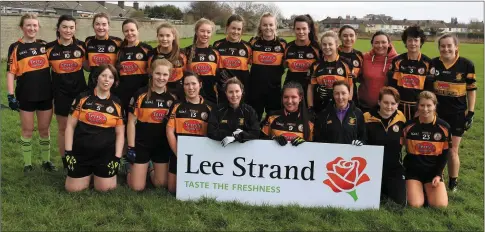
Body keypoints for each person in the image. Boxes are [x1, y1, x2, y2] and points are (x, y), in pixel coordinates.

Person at [6, 13, 56, 172]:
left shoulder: (45, 46)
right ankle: (27, 164)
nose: (32, 28)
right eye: (28, 25)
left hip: (46, 95)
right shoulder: (15, 47)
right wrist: (10, 95)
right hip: (26, 95)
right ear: (22, 27)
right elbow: (10, 73)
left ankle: (46, 161)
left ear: (38, 27)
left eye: (35, 25)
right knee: (27, 130)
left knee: (44, 129)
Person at [64, 64, 125, 192]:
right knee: (72, 190)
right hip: (81, 152)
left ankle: (96, 175)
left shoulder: (117, 103)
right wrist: (68, 152)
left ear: (114, 81)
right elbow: (70, 126)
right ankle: (89, 174)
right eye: (103, 76)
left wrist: (117, 158)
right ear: (96, 77)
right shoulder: (82, 98)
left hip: (105, 154)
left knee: (105, 189)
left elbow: (120, 134)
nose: (107, 80)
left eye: (110, 77)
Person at [430, 33, 477, 191]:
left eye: (449, 45)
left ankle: (453, 182)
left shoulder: (466, 65)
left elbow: (471, 90)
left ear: (456, 47)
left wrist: (470, 112)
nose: (446, 49)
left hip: (457, 115)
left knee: (452, 149)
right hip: (436, 114)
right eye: (442, 46)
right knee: (436, 147)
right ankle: (437, 177)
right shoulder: (434, 63)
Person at [126, 59, 177, 191]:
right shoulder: (141, 94)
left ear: (170, 76)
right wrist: (131, 147)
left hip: (162, 145)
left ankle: (149, 168)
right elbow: (131, 122)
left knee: (161, 184)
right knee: (137, 187)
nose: (161, 78)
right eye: (158, 74)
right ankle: (128, 168)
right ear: (151, 74)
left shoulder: (173, 97)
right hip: (142, 143)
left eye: (165, 75)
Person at [46, 15, 87, 171]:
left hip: (80, 93)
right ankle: (66, 161)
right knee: (63, 128)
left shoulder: (82, 46)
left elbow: (90, 67)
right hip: (60, 93)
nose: (68, 30)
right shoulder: (49, 48)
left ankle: (81, 157)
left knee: (81, 128)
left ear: (75, 29)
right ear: (58, 28)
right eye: (64, 27)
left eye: (71, 27)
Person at [166, 71, 215, 194]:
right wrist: (179, 154)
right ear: (183, 86)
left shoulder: (210, 107)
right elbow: (169, 131)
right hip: (179, 152)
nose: (190, 87)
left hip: (201, 155)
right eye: (187, 84)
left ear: (200, 85)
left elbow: (214, 134)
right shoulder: (177, 105)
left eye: (194, 84)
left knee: (199, 190)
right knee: (173, 190)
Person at [402, 91, 450, 208]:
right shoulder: (409, 126)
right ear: (417, 106)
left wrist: (438, 174)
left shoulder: (444, 127)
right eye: (422, 105)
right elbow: (400, 147)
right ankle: (418, 189)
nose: (425, 109)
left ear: (435, 106)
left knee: (440, 205)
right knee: (415, 204)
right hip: (413, 171)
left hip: (432, 172)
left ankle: (426, 189)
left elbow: (445, 154)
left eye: (429, 105)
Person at [364, 87, 407, 206]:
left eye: (393, 103)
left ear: (397, 104)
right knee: (369, 200)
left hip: (394, 168)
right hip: (372, 168)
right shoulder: (367, 117)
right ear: (379, 102)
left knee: (400, 202)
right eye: (386, 102)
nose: (389, 106)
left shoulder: (401, 118)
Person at [247, 12, 288, 121]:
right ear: (260, 26)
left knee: (273, 120)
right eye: (265, 25)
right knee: (253, 120)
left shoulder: (282, 44)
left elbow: (286, 64)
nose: (268, 27)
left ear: (276, 26)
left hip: (274, 90)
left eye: (271, 24)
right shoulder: (253, 42)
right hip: (255, 90)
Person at [388, 25, 433, 120]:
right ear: (405, 42)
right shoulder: (397, 61)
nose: (413, 43)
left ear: (421, 42)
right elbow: (392, 86)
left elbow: (429, 90)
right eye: (409, 40)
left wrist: (421, 108)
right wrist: (393, 105)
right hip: (399, 106)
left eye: (416, 40)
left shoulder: (428, 63)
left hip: (419, 108)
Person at [307, 31, 353, 114]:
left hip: (340, 108)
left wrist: (348, 104)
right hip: (320, 108)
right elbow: (310, 88)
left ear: (337, 45)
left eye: (330, 44)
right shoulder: (315, 65)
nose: (327, 47)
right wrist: (310, 107)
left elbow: (350, 85)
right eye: (324, 44)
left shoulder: (346, 63)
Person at [114, 18, 153, 116]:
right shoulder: (119, 51)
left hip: (141, 94)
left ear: (137, 31)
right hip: (123, 94)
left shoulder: (147, 49)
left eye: (132, 30)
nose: (129, 33)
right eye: (126, 31)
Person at [207, 77, 260, 146]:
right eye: (230, 92)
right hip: (220, 150)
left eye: (237, 91)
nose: (234, 95)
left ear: (242, 91)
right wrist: (233, 134)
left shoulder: (249, 111)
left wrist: (237, 137)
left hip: (243, 153)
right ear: (226, 93)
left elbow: (256, 133)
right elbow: (211, 132)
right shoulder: (217, 109)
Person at [213, 14, 252, 101]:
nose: (236, 32)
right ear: (227, 28)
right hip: (223, 90)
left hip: (241, 91)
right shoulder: (217, 45)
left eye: (239, 29)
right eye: (233, 28)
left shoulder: (247, 47)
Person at [261, 82, 313, 146]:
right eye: (286, 97)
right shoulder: (272, 117)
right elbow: (261, 140)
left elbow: (317, 146)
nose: (289, 101)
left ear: (300, 98)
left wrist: (305, 143)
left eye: (293, 97)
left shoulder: (311, 119)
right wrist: (273, 139)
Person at [314, 81, 366, 145]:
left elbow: (363, 137)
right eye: (337, 93)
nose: (340, 97)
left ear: (349, 94)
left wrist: (360, 142)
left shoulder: (358, 113)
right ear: (333, 94)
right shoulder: (324, 114)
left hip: (351, 154)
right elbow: (318, 139)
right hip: (330, 153)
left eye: (343, 93)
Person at [358, 31, 398, 113]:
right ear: (372, 44)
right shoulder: (364, 57)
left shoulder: (397, 60)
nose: (380, 46)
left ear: (389, 43)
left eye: (383, 42)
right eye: (376, 42)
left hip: (387, 108)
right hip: (364, 105)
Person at [184, 18, 221, 104]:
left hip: (210, 97)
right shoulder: (187, 52)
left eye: (208, 32)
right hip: (190, 97)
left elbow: (218, 76)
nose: (205, 34)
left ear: (211, 34)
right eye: (202, 31)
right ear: (196, 32)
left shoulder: (215, 53)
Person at [284, 14, 321, 97]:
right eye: (298, 29)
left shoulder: (316, 48)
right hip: (291, 91)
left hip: (310, 91)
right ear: (294, 30)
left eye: (304, 29)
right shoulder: (288, 47)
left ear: (309, 29)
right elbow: (283, 67)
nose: (301, 32)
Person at [84, 13, 122, 89]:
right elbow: (86, 64)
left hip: (111, 84)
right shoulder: (88, 41)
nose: (101, 27)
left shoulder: (118, 42)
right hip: (93, 83)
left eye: (104, 24)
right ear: (93, 26)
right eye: (97, 24)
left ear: (108, 26)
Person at [150, 22, 187, 100]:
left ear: (173, 36)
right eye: (161, 35)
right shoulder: (151, 54)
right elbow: (149, 74)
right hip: (158, 95)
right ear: (157, 36)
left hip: (178, 95)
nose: (164, 39)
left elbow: (186, 73)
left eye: (168, 35)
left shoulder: (182, 54)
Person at [338, 25, 364, 106]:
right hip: (336, 93)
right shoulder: (334, 52)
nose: (348, 39)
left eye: (351, 35)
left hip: (352, 93)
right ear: (340, 37)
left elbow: (361, 77)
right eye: (345, 36)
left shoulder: (359, 55)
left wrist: (355, 77)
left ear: (356, 37)